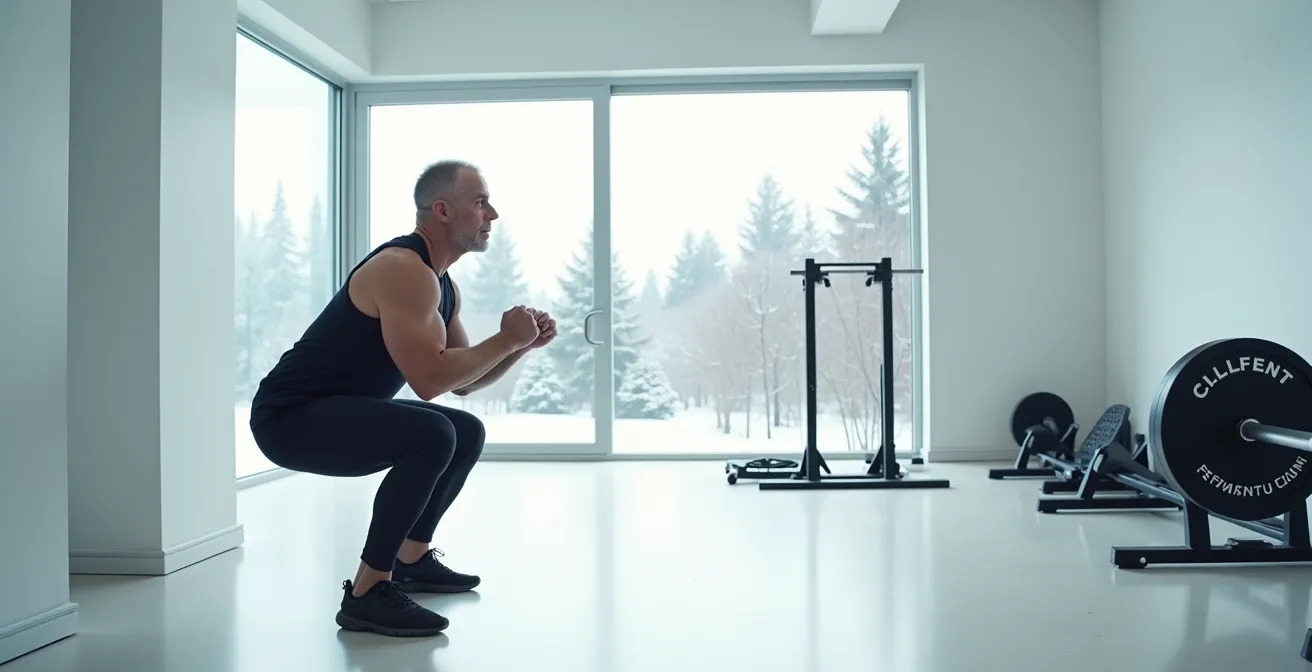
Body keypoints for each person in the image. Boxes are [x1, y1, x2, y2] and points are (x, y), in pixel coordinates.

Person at [248, 160, 557, 637]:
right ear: (443, 211)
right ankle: (368, 592)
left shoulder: (441, 284)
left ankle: (411, 558)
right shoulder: (402, 270)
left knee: (466, 429)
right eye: (480, 202)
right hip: (288, 419)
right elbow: (429, 381)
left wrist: (519, 346)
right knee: (432, 432)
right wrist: (505, 340)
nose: (492, 213)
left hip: (337, 410)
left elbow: (464, 382)